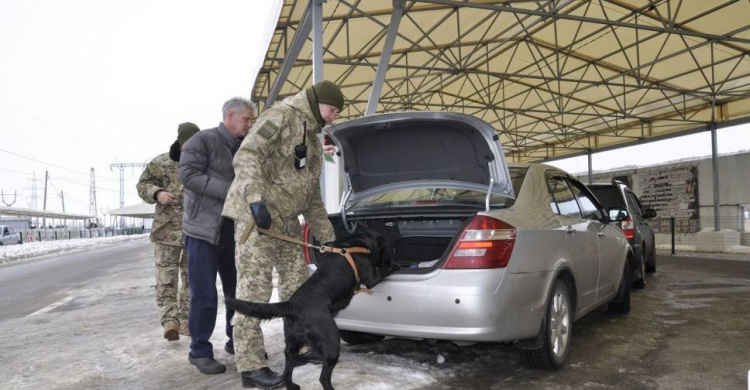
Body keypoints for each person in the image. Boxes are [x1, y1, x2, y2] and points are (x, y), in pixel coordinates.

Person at [222, 80, 344, 388]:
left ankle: (299, 346)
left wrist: (328, 239)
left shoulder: (314, 142)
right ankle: (251, 367)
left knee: (299, 289)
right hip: (257, 220)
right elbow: (246, 156)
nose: (333, 118)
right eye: (332, 111)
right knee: (255, 292)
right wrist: (255, 201)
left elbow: (312, 198)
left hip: (287, 223)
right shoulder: (280, 116)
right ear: (319, 103)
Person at [178, 98, 256, 375]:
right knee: (204, 295)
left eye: (251, 120)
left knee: (238, 291)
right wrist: (230, 191)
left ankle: (236, 341)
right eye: (246, 119)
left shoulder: (246, 146)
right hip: (202, 232)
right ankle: (199, 351)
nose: (250, 124)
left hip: (233, 231)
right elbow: (187, 174)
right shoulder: (204, 140)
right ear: (230, 115)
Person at [137, 122, 200, 341]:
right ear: (181, 141)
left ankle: (186, 321)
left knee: (192, 280)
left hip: (194, 231)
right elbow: (142, 185)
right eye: (189, 143)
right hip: (167, 231)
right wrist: (157, 193)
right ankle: (169, 321)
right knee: (167, 279)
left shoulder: (202, 162)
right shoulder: (161, 162)